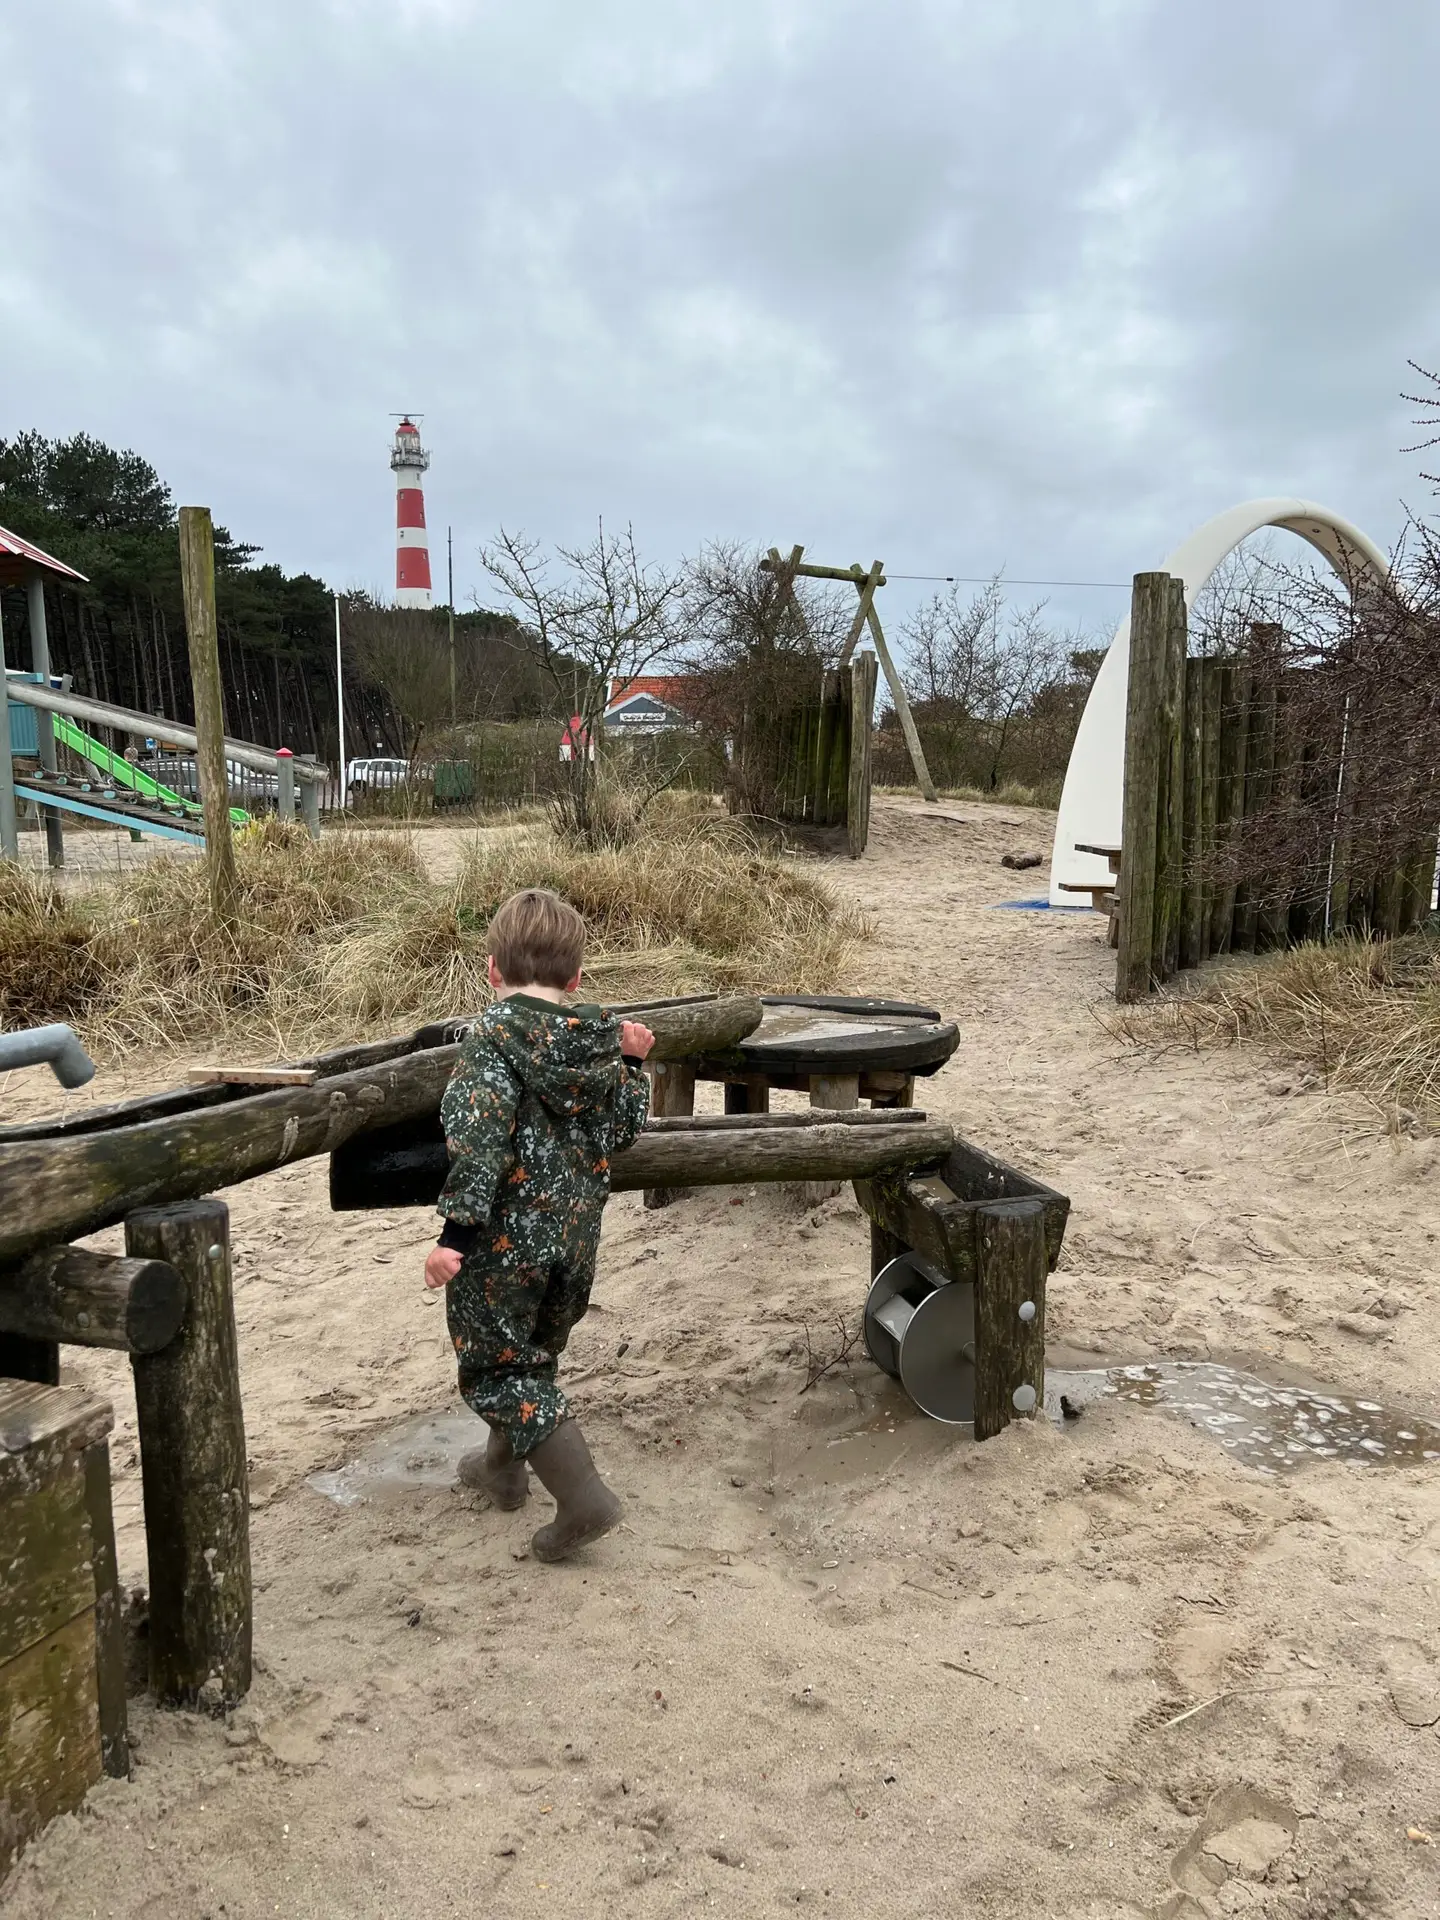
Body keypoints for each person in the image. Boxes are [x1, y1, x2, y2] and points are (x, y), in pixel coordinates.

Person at [423, 887, 654, 1561]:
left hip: (504, 1245)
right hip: (575, 1246)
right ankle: (502, 1472)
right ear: (576, 979)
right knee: (531, 1357)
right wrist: (634, 1068)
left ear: (492, 971)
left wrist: (454, 1237)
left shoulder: (491, 1041)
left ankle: (583, 1500)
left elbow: (478, 1137)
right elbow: (619, 1131)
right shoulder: (598, 1044)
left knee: (496, 1371)